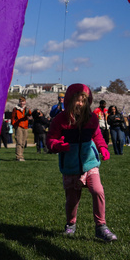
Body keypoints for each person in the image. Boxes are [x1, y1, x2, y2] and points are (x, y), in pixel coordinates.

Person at [47, 83, 118, 242]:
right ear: (69, 101)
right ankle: (70, 224)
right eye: (77, 100)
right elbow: (50, 139)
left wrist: (103, 147)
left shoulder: (91, 118)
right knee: (72, 199)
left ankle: (101, 226)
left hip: (89, 163)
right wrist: (58, 145)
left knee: (98, 190)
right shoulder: (60, 119)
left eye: (83, 100)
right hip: (70, 165)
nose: (80, 103)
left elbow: (97, 135)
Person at [11, 97, 31, 161]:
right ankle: (19, 156)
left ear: (25, 102)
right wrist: (14, 125)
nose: (22, 103)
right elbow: (13, 117)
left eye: (23, 101)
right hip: (19, 126)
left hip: (25, 126)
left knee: (23, 142)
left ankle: (21, 155)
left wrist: (28, 111)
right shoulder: (16, 109)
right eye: (21, 101)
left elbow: (30, 114)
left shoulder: (26, 109)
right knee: (19, 141)